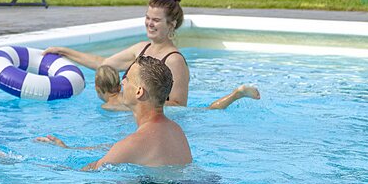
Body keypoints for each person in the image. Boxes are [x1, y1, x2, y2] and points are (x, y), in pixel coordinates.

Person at [46, 0, 259, 109]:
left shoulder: (174, 60)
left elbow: (178, 105)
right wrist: (65, 52)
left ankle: (236, 94)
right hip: (141, 114)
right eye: (148, 18)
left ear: (171, 25)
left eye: (156, 20)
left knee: (206, 112)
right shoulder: (141, 48)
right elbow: (103, 63)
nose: (149, 23)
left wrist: (131, 104)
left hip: (159, 118)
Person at [38, 55, 192, 170]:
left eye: (127, 78)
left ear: (139, 92)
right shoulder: (176, 131)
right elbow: (116, 149)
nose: (122, 82)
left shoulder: (133, 143)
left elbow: (86, 172)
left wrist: (41, 166)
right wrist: (69, 149)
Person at [94, 64, 260, 111]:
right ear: (118, 83)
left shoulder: (108, 106)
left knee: (208, 110)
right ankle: (236, 94)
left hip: (159, 110)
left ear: (97, 87)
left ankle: (236, 94)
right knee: (203, 109)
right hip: (159, 104)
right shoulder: (129, 93)